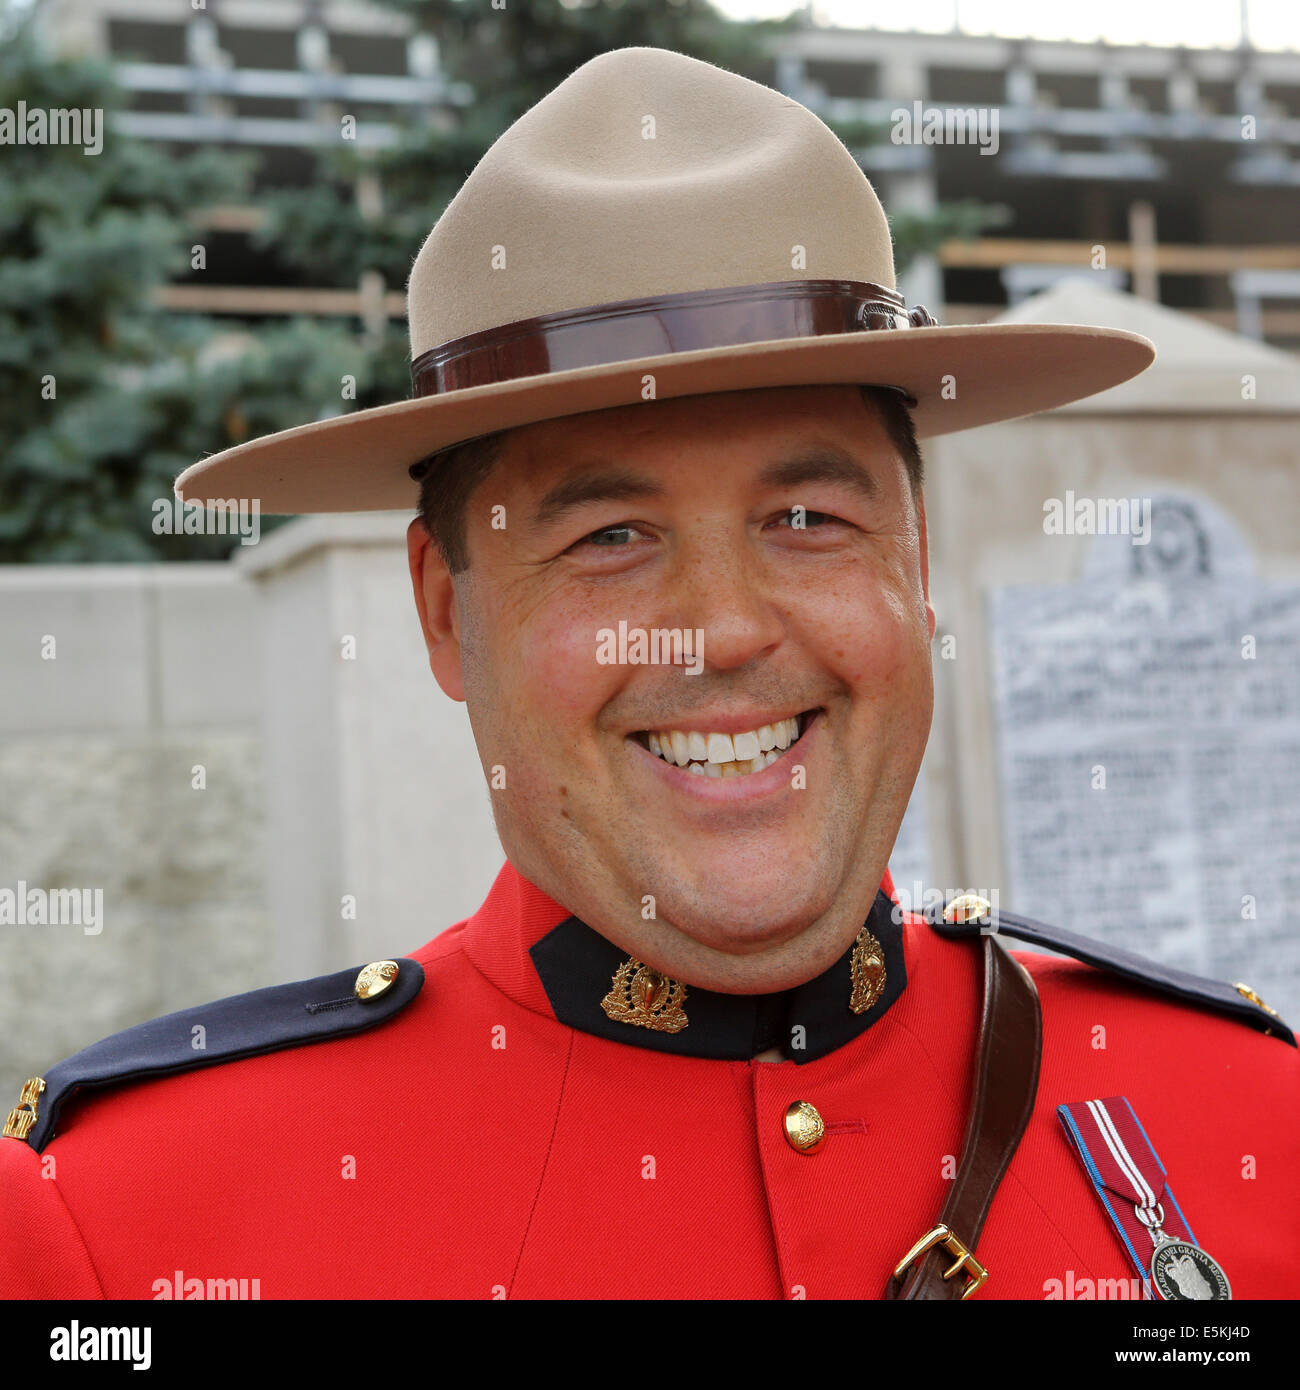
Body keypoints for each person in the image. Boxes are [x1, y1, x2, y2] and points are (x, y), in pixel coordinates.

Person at [2, 46, 1294, 1302]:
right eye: (609, 539)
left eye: (807, 519)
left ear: (917, 560)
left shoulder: (1248, 1123)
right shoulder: (131, 1226)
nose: (723, 629)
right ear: (446, 614)